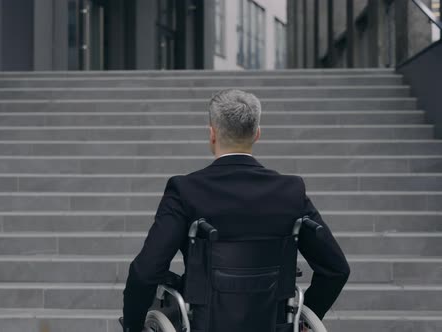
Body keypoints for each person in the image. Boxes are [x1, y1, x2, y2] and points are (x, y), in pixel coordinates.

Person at [122, 89, 350, 332]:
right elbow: (336, 270)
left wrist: (132, 328)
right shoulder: (290, 191)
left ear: (212, 133)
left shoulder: (185, 190)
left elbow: (145, 272)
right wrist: (302, 319)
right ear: (257, 134)